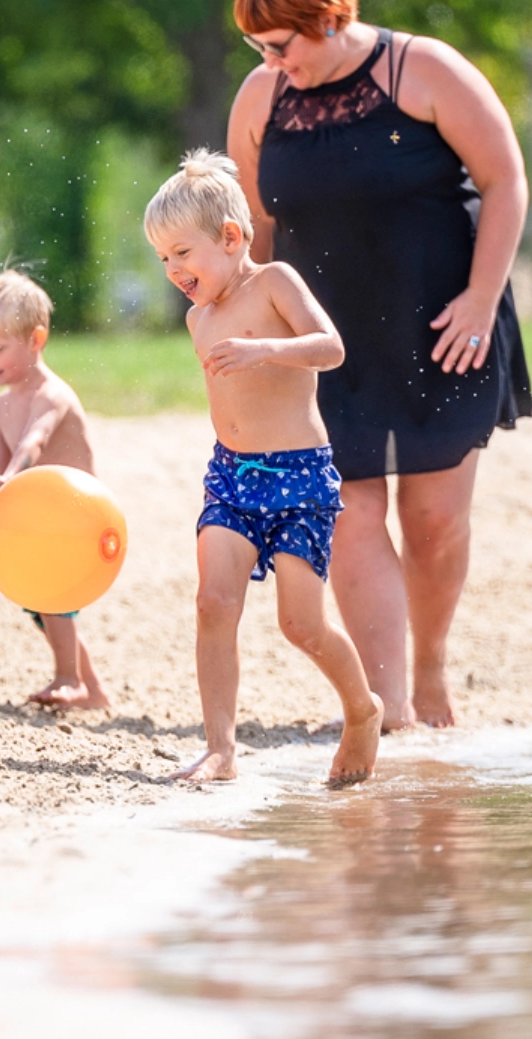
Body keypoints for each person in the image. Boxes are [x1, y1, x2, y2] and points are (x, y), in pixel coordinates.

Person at [227, 0, 532, 731]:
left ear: (328, 19)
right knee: (352, 511)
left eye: (281, 44)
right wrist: (256, 331)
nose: (270, 62)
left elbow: (505, 181)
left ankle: (429, 668)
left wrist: (480, 297)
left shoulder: (422, 69)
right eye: (258, 47)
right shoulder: (262, 99)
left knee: (435, 522)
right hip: (327, 341)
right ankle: (391, 708)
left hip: (443, 324)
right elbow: (254, 230)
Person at [145, 150, 381, 787]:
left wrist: (264, 350)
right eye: (163, 258)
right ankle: (220, 749)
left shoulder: (274, 282)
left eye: (182, 254)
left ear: (229, 238)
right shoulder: (199, 319)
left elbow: (330, 348)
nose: (172, 270)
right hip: (232, 476)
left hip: (300, 477)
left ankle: (363, 710)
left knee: (300, 624)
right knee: (213, 601)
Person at [0, 269, 110, 711]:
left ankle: (69, 678)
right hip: (40, 522)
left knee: (53, 600)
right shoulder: (0, 405)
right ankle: (92, 689)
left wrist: (15, 474)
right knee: (45, 606)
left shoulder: (52, 394)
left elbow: (33, 442)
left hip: (76, 518)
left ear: (36, 340)